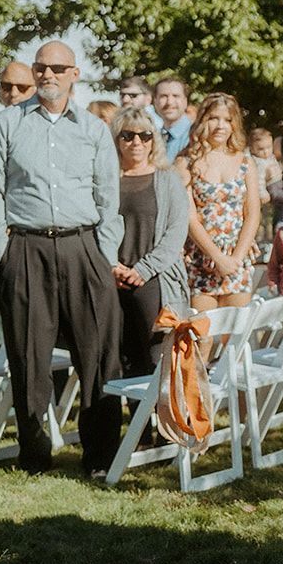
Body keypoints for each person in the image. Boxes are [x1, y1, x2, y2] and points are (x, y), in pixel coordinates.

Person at [0, 40, 125, 477]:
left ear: (75, 74)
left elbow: (108, 199)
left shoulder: (95, 130)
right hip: (26, 248)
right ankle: (35, 456)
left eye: (58, 68)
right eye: (41, 67)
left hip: (84, 249)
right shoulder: (4, 125)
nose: (48, 75)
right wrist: (2, 255)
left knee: (97, 354)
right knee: (27, 354)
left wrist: (103, 255)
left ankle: (98, 457)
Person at [108, 107, 188, 379]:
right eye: (127, 135)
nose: (136, 143)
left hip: (154, 280)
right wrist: (111, 264)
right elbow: (96, 226)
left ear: (154, 140)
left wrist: (143, 269)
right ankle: (139, 423)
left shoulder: (167, 179)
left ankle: (163, 420)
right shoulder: (106, 180)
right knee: (125, 359)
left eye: (145, 135)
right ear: (116, 139)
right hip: (114, 278)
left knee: (157, 359)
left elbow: (176, 231)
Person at [177, 93, 260, 311]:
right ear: (203, 120)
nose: (220, 125)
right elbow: (189, 216)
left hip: (237, 256)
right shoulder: (186, 162)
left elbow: (252, 213)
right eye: (214, 118)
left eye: (227, 119)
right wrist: (216, 257)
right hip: (201, 257)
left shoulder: (245, 162)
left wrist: (236, 259)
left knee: (234, 337)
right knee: (202, 336)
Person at [247, 126, 283, 233]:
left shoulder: (269, 157)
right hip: (272, 188)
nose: (265, 151)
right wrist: (263, 193)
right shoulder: (258, 162)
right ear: (252, 149)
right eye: (261, 149)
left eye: (268, 147)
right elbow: (259, 180)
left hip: (278, 184)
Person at [154, 76, 193, 161]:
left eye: (176, 96)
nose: (169, 102)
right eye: (163, 96)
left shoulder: (194, 136)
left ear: (185, 101)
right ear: (155, 102)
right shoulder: (153, 137)